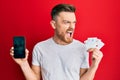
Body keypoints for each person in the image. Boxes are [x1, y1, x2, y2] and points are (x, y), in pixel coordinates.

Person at [10, 4, 103, 80]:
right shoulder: (40, 48)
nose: (72, 27)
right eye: (66, 22)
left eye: (74, 22)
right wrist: (23, 64)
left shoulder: (82, 48)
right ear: (54, 24)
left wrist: (94, 66)